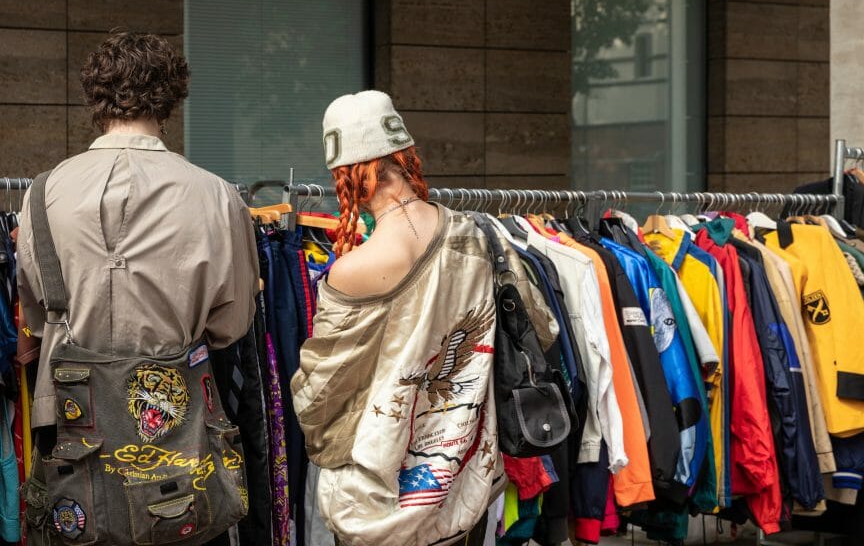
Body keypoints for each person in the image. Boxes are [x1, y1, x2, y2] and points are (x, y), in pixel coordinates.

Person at [17, 32, 259, 544]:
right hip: (178, 431)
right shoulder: (217, 196)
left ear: (95, 99)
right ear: (170, 99)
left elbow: (39, 319)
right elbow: (229, 326)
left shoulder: (43, 192)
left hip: (69, 426)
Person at [291, 90, 557, 546]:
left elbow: (320, 393)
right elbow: (543, 328)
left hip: (377, 499)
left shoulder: (353, 269)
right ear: (405, 156)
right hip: (465, 480)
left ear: (351, 175)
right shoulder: (481, 236)